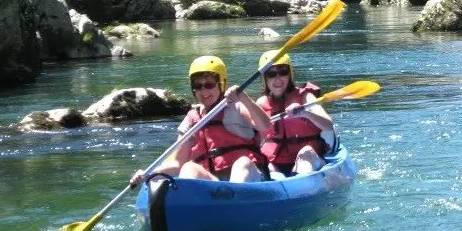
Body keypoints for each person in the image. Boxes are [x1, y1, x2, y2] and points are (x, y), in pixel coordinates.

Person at [130, 56, 270, 185]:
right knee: (189, 168)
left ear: (222, 84)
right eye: (198, 86)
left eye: (209, 85)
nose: (204, 91)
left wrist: (244, 97)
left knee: (243, 163)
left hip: (250, 178)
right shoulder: (192, 119)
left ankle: (232, 201)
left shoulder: (237, 106)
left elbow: (265, 125)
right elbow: (177, 163)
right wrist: (149, 173)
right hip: (214, 185)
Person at [255, 50, 334, 178]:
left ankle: (300, 183)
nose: (278, 79)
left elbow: (328, 125)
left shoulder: (305, 97)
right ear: (264, 78)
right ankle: (280, 184)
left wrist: (305, 112)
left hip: (309, 160)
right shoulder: (261, 103)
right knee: (266, 165)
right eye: (271, 74)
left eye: (283, 72)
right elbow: (255, 138)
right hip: (276, 164)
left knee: (306, 152)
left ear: (290, 75)